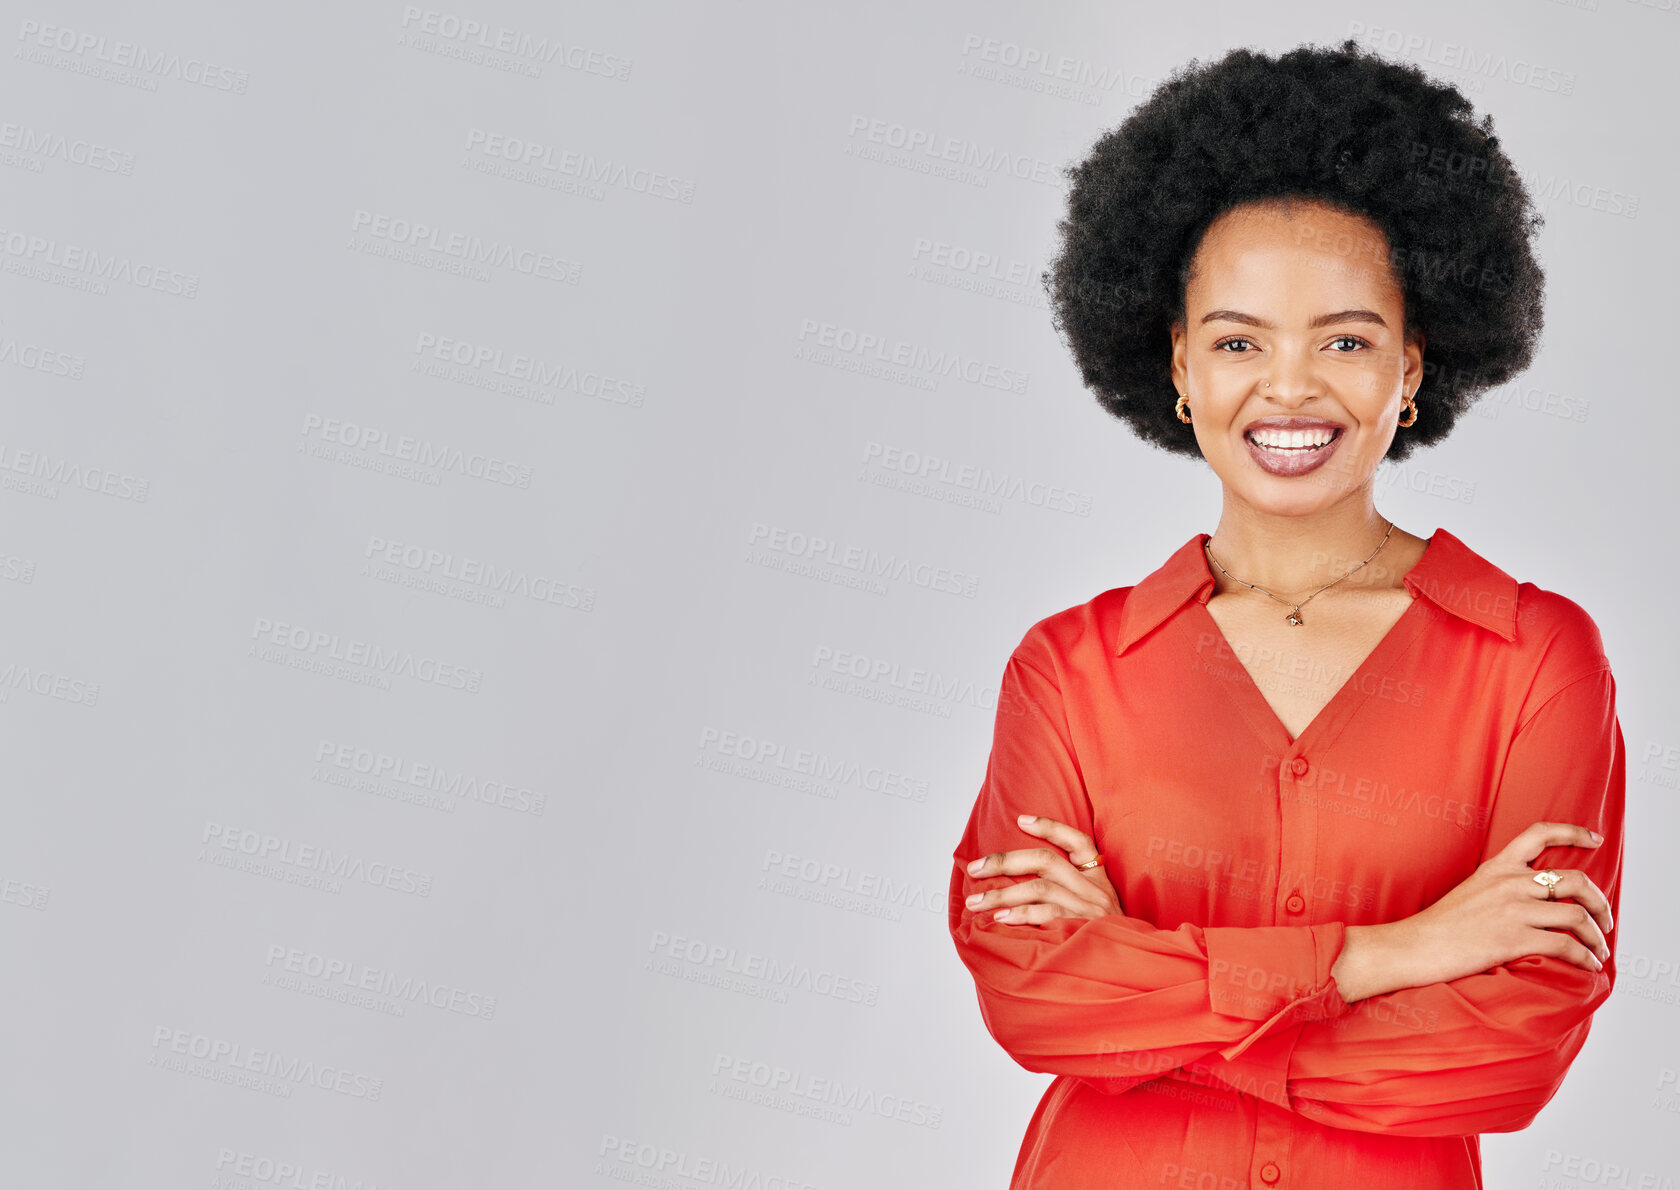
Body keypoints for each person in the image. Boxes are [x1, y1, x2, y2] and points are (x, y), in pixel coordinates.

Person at [946, 39, 1623, 1189]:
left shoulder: (1535, 660)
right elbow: (1037, 1000)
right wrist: (1389, 955)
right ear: (1180, 369)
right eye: (1238, 340)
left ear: (1413, 364)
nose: (1291, 386)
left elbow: (1505, 1057)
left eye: (1347, 339)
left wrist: (1158, 1001)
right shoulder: (1072, 669)